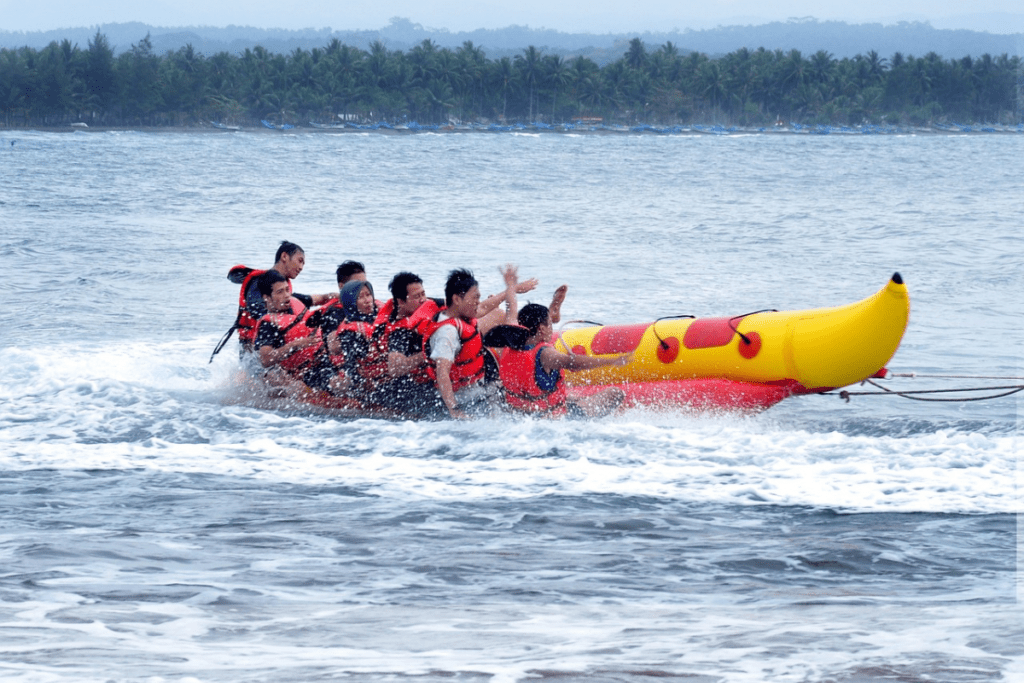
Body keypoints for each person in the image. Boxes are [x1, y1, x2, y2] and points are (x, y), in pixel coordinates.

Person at [498, 302, 630, 418]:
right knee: (615, 393)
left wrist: (510, 287)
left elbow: (511, 312)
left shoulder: (507, 346)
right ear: (542, 329)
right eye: (550, 324)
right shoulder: (545, 354)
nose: (551, 329)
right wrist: (611, 361)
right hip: (553, 417)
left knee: (573, 395)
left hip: (519, 413)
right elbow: (573, 363)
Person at [424, 266, 521, 419]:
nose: (478, 302)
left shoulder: (460, 314)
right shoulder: (447, 333)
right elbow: (442, 373)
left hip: (477, 383)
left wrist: (511, 288)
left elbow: (484, 307)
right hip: (465, 398)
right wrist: (455, 410)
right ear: (457, 299)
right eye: (474, 298)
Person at [227, 241, 337, 356]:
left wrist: (332, 297)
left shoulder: (284, 291)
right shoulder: (259, 282)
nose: (301, 267)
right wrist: (293, 323)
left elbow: (310, 299)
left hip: (275, 346)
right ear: (284, 256)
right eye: (300, 261)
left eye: (303, 264)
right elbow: (256, 310)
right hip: (252, 350)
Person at [252, 270, 348, 397]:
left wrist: (343, 296)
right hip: (308, 371)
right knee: (337, 384)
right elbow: (266, 359)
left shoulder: (294, 299)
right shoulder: (268, 325)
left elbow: (322, 298)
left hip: (327, 355)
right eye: (280, 292)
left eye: (287, 289)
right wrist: (296, 345)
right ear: (267, 297)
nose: (287, 295)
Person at [324, 279, 379, 398]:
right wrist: (363, 383)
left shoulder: (378, 318)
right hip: (359, 381)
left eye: (368, 295)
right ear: (351, 302)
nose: (367, 300)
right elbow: (351, 366)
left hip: (379, 373)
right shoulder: (350, 332)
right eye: (360, 297)